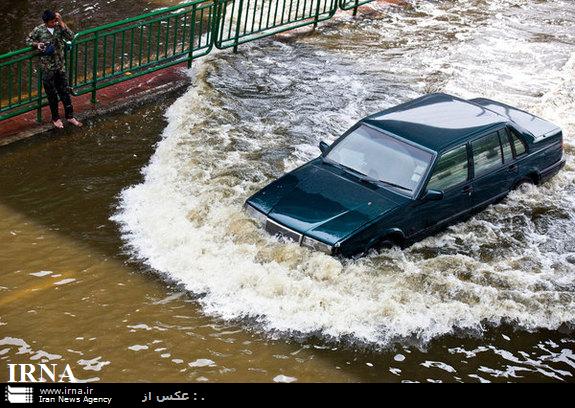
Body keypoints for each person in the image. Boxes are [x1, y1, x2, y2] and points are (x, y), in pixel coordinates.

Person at [26, 10, 82, 129]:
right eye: (52, 22)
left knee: (65, 92)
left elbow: (71, 36)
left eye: (55, 20)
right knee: (52, 95)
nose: (54, 23)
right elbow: (28, 40)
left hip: (60, 66)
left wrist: (61, 22)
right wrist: (37, 45)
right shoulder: (39, 30)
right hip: (48, 68)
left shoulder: (59, 27)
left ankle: (70, 116)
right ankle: (55, 119)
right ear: (46, 22)